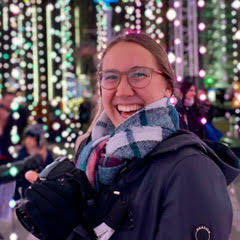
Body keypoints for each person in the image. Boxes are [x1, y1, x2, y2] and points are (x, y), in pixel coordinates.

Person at [20, 32, 239, 240]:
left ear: (167, 88)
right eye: (111, 77)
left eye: (139, 74)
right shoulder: (93, 157)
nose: (123, 91)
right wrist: (61, 223)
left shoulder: (190, 171)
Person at [13, 123, 54, 200]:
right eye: (27, 137)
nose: (28, 140)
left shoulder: (47, 154)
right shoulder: (22, 153)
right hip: (24, 191)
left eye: (31, 137)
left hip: (42, 192)